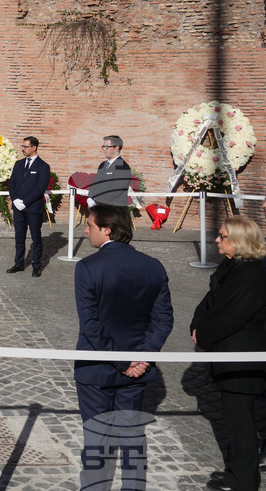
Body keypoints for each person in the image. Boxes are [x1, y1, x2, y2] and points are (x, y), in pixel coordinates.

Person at [74, 204, 173, 490]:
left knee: (97, 441)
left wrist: (125, 362)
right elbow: (163, 319)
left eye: (89, 224)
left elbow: (90, 325)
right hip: (137, 370)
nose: (85, 229)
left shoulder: (88, 267)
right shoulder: (152, 266)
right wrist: (141, 358)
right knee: (132, 440)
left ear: (106, 229)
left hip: (97, 370)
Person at [190, 216, 266, 491]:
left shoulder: (251, 274)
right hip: (230, 355)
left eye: (222, 236)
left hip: (242, 359)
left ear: (239, 241)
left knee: (241, 424)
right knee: (235, 422)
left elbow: (230, 316)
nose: (217, 240)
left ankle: (243, 482)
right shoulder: (232, 266)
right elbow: (211, 300)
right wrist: (197, 324)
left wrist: (204, 335)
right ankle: (236, 472)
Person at [7, 136, 51, 277]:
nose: (23, 149)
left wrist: (25, 202)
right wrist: (15, 200)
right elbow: (11, 183)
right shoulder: (19, 164)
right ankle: (19, 263)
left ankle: (36, 265)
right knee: (19, 237)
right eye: (23, 146)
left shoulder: (43, 166)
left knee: (35, 237)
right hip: (18, 208)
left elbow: (40, 188)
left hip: (33, 208)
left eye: (26, 147)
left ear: (34, 148)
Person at [88, 135, 133, 208]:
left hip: (114, 210)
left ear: (116, 148)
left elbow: (116, 190)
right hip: (99, 209)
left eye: (107, 147)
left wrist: (97, 201)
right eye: (103, 147)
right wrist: (90, 198)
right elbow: (95, 184)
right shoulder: (102, 165)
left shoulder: (123, 167)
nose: (104, 149)